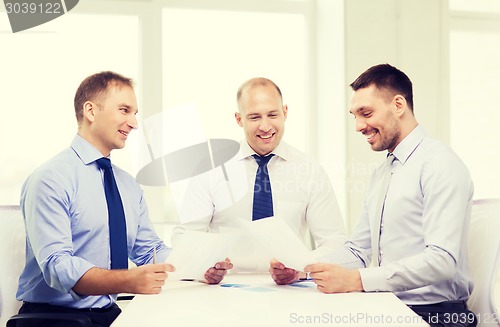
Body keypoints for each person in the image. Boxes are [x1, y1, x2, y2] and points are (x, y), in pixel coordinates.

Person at [16, 71, 231, 327]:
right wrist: (128, 280)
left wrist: (200, 268)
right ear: (91, 111)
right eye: (124, 110)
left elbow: (149, 251)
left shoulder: (128, 185)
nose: (134, 123)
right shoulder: (51, 179)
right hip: (54, 319)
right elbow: (58, 267)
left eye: (135, 113)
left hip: (108, 314)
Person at [292, 64, 476, 327]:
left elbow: (442, 261)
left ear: (398, 105)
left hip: (436, 315)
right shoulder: (383, 172)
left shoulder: (440, 164)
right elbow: (358, 250)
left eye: (366, 113)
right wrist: (301, 267)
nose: (358, 126)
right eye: (354, 116)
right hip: (388, 306)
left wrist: (357, 280)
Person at [172, 77, 345, 277]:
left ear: (285, 112)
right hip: (222, 291)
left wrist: (301, 270)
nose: (265, 126)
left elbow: (334, 242)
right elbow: (186, 236)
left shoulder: (310, 171)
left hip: (292, 293)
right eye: (254, 117)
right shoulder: (210, 169)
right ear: (239, 119)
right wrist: (204, 268)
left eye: (272, 115)